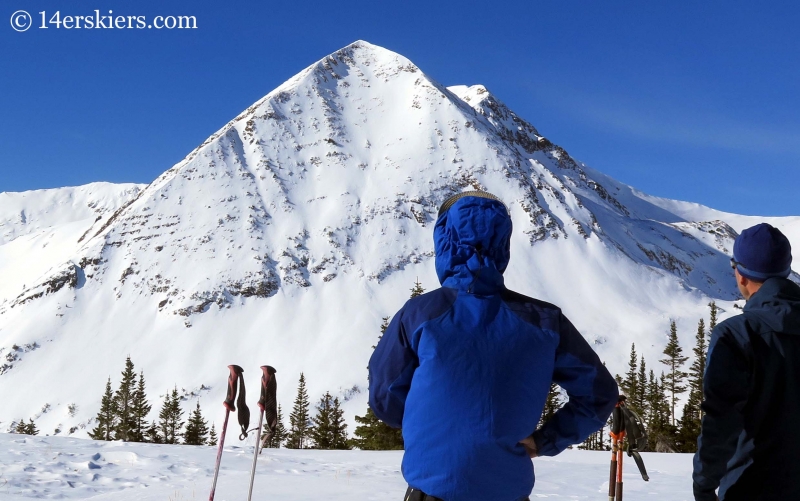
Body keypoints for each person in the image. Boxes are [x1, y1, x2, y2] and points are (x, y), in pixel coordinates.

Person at [368, 191, 618, 501]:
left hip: (432, 491)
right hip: (508, 492)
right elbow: (599, 393)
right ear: (503, 245)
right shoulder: (544, 321)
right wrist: (545, 440)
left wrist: (429, 425)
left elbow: (384, 396)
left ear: (444, 242)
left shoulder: (420, 314)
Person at [693, 223, 799, 501]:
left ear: (740, 275)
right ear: (786, 270)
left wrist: (703, 485)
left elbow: (721, 421)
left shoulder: (736, 335)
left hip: (751, 486)